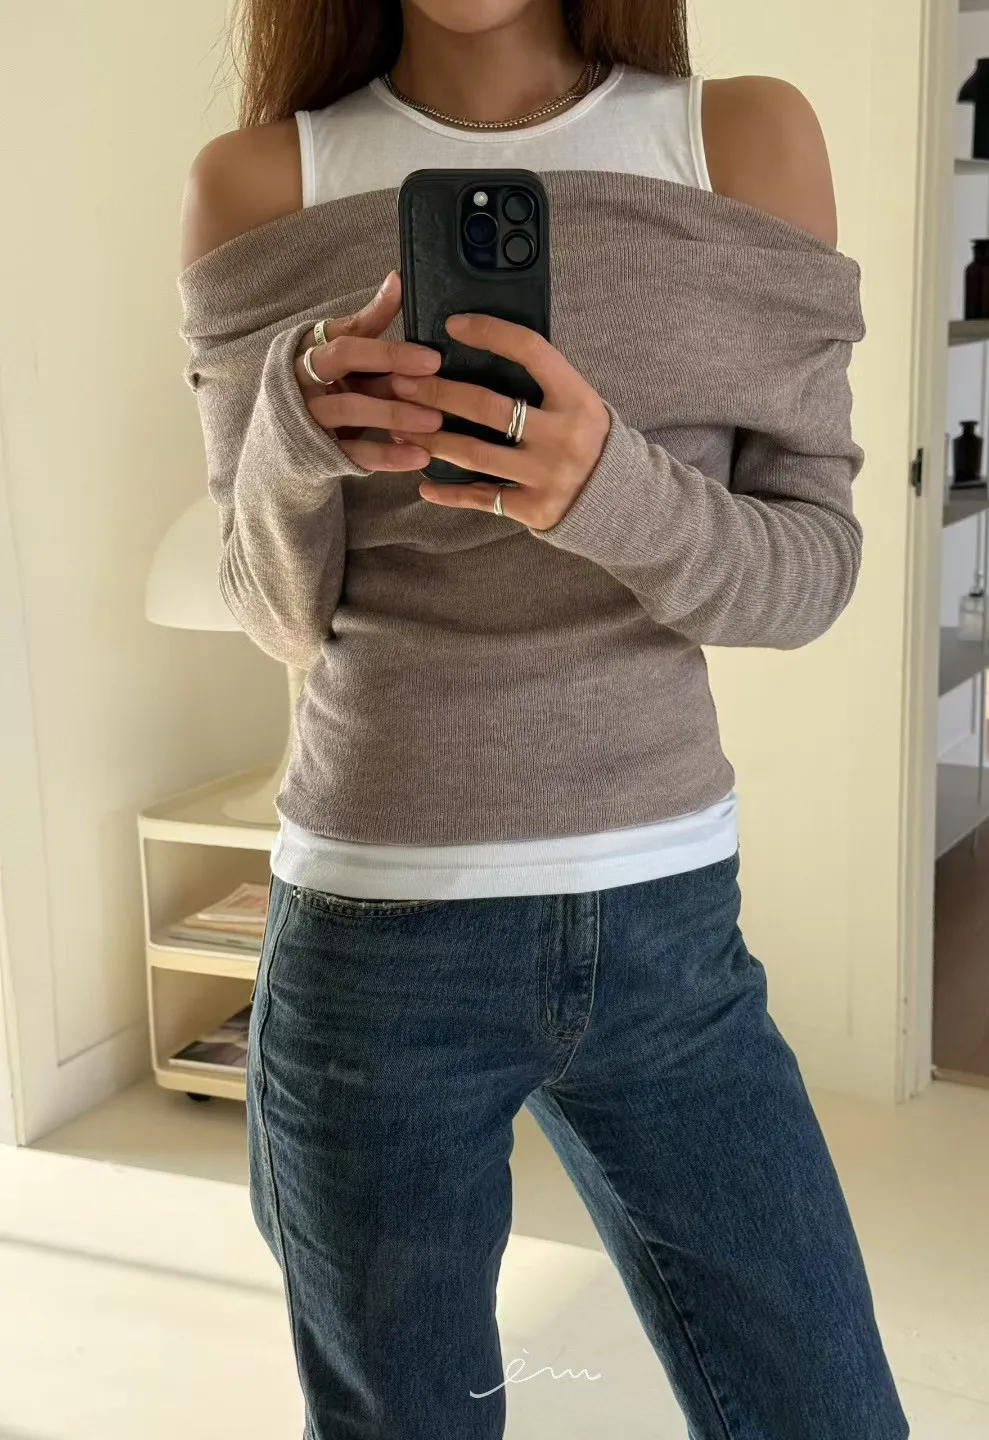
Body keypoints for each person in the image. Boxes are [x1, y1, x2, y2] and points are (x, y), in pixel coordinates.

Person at [178, 1, 908, 1436]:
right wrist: (297, 434)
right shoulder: (255, 181)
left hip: (668, 936)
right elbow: (272, 614)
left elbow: (809, 573)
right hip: (372, 940)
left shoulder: (741, 139)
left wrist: (604, 487)